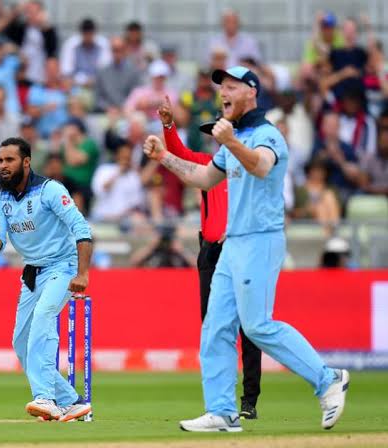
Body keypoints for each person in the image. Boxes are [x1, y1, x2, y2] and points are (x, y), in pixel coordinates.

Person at [143, 66, 350, 432]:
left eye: (231, 86)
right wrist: (165, 158)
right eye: (220, 87)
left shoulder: (267, 135)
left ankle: (328, 378)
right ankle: (222, 411)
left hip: (261, 238)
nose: (223, 92)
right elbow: (203, 178)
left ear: (251, 92)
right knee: (216, 327)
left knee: (257, 325)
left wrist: (233, 143)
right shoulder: (234, 137)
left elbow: (261, 166)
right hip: (233, 242)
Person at [157, 94, 263, 419]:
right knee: (214, 327)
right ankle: (223, 400)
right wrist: (168, 125)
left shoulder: (249, 168)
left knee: (249, 328)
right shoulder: (208, 165)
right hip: (212, 251)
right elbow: (178, 154)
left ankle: (248, 400)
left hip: (243, 249)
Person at [0, 137, 93, 422]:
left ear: (26, 162)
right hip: (32, 272)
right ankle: (71, 401)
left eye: (9, 160)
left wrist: (82, 273)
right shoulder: (3, 198)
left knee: (44, 319)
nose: (3, 166)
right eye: (0, 161)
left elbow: (81, 228)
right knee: (20, 343)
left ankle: (45, 397)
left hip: (62, 266)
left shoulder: (50, 190)